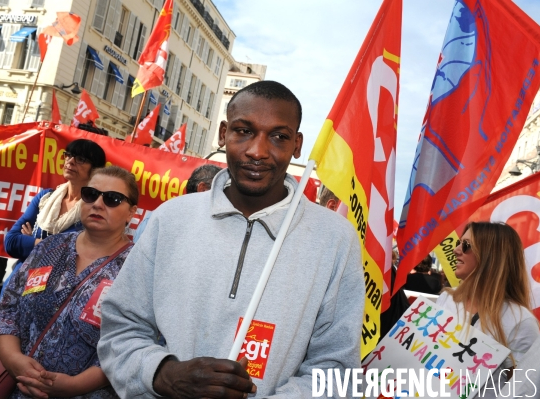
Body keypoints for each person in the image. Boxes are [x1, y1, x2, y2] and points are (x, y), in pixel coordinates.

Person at [98, 80, 365, 398]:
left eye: (279, 137)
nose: (258, 151)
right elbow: (120, 329)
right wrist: (164, 374)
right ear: (224, 133)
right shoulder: (171, 219)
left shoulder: (335, 239)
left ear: (297, 145)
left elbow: (336, 370)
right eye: (244, 131)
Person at [0, 166, 138, 399]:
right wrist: (13, 359)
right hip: (19, 389)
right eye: (90, 194)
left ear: (131, 212)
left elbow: (133, 343)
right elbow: (7, 308)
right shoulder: (51, 247)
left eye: (112, 199)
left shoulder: (136, 269)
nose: (98, 204)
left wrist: (76, 386)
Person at [2, 139, 106, 296]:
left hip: (57, 297)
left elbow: (76, 260)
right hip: (18, 288)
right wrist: (55, 245)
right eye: (68, 155)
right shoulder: (45, 198)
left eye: (81, 159)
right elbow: (11, 242)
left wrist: (32, 243)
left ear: (95, 169)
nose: (70, 162)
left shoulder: (95, 210)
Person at [436, 221, 540, 377]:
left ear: (491, 256)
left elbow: (523, 388)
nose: (456, 250)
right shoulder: (447, 298)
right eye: (459, 243)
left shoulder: (520, 321)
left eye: (466, 245)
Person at [133, 164, 222, 242]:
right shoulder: (158, 219)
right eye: (223, 189)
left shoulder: (219, 226)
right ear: (203, 189)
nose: (227, 197)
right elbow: (137, 259)